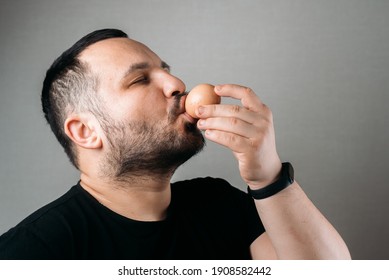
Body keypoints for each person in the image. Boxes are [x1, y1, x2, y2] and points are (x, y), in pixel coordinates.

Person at [0, 28, 350, 260]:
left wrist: (268, 178)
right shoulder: (33, 251)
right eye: (140, 80)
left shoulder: (218, 205)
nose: (176, 83)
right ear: (85, 132)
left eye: (165, 70)